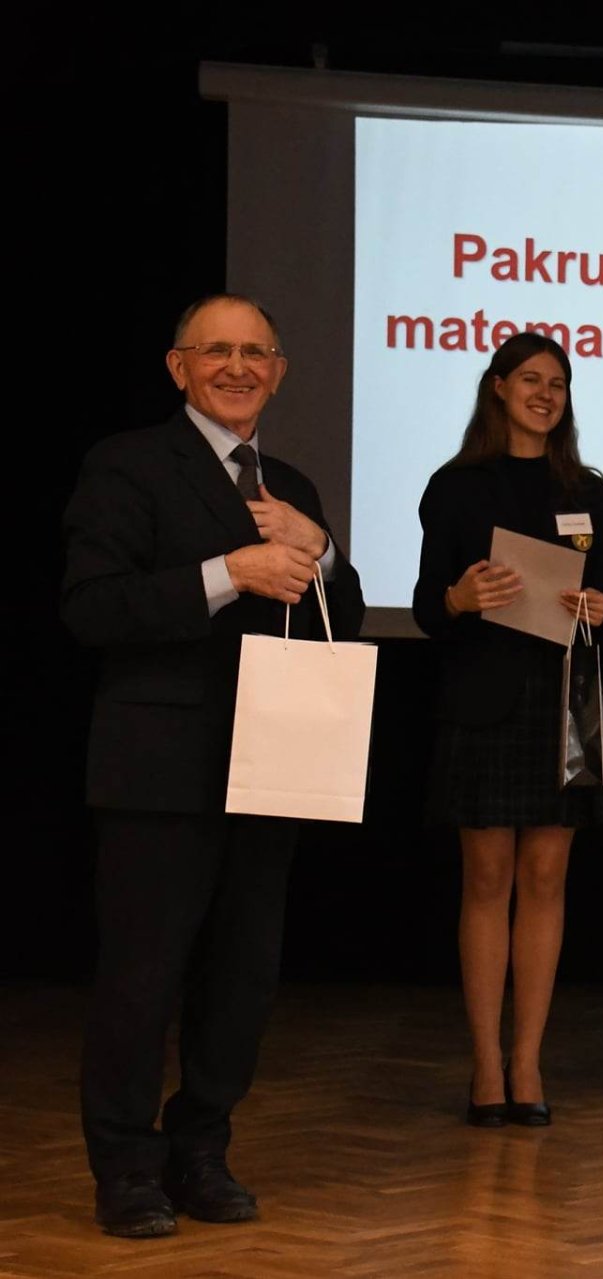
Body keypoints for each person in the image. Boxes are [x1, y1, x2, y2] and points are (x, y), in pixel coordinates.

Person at [61, 294, 365, 1237]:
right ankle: (125, 1167)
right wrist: (231, 572)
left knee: (241, 979)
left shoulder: (292, 483)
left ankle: (201, 1149)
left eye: (255, 353)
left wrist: (321, 552)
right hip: (158, 768)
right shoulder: (127, 463)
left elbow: (344, 615)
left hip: (272, 765)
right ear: (178, 366)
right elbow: (92, 607)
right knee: (141, 978)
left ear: (279, 371)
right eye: (217, 351)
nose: (238, 367)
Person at [412, 332, 603, 1130]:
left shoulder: (588, 491)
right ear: (497, 386)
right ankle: (485, 1062)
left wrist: (600, 610)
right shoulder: (457, 486)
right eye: (531, 379)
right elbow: (429, 607)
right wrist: (459, 599)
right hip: (483, 699)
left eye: (557, 383)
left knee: (545, 878)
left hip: (562, 700)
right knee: (487, 878)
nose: (545, 394)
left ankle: (528, 1058)